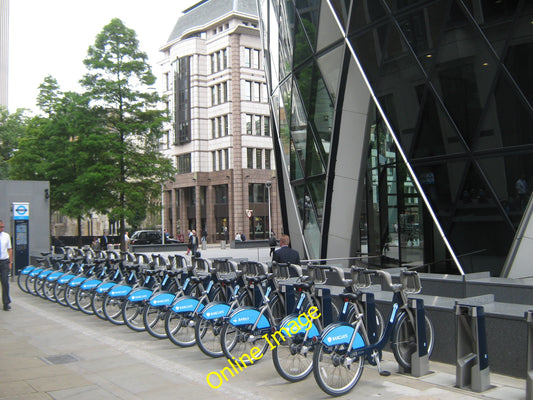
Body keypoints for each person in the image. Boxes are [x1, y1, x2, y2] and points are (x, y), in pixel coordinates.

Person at [0, 220, 13, 311]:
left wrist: (10, 262)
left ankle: (6, 302)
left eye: (3, 227)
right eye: (0, 227)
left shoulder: (6, 236)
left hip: (4, 261)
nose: (2, 229)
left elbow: (10, 249)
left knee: (5, 282)